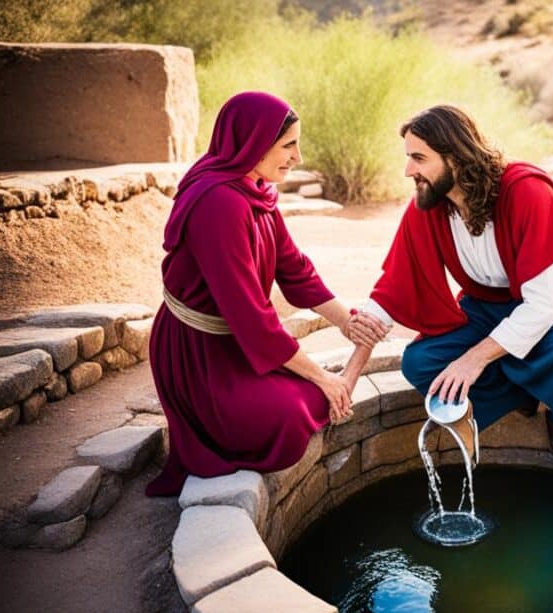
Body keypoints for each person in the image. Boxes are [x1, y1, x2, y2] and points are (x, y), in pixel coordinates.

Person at [146, 91, 388, 497]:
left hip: (236, 345)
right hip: (199, 354)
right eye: (288, 145)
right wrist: (327, 379)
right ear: (251, 144)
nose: (298, 157)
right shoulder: (219, 204)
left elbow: (294, 269)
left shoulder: (256, 189)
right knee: (292, 419)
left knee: (312, 399)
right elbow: (252, 319)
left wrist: (347, 321)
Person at [362, 105, 553, 455]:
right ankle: (536, 389)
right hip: (485, 310)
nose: (408, 170)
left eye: (419, 158)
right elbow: (393, 287)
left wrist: (474, 359)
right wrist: (350, 371)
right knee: (419, 362)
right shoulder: (429, 204)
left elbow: (543, 305)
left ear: (454, 157)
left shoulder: (527, 192)